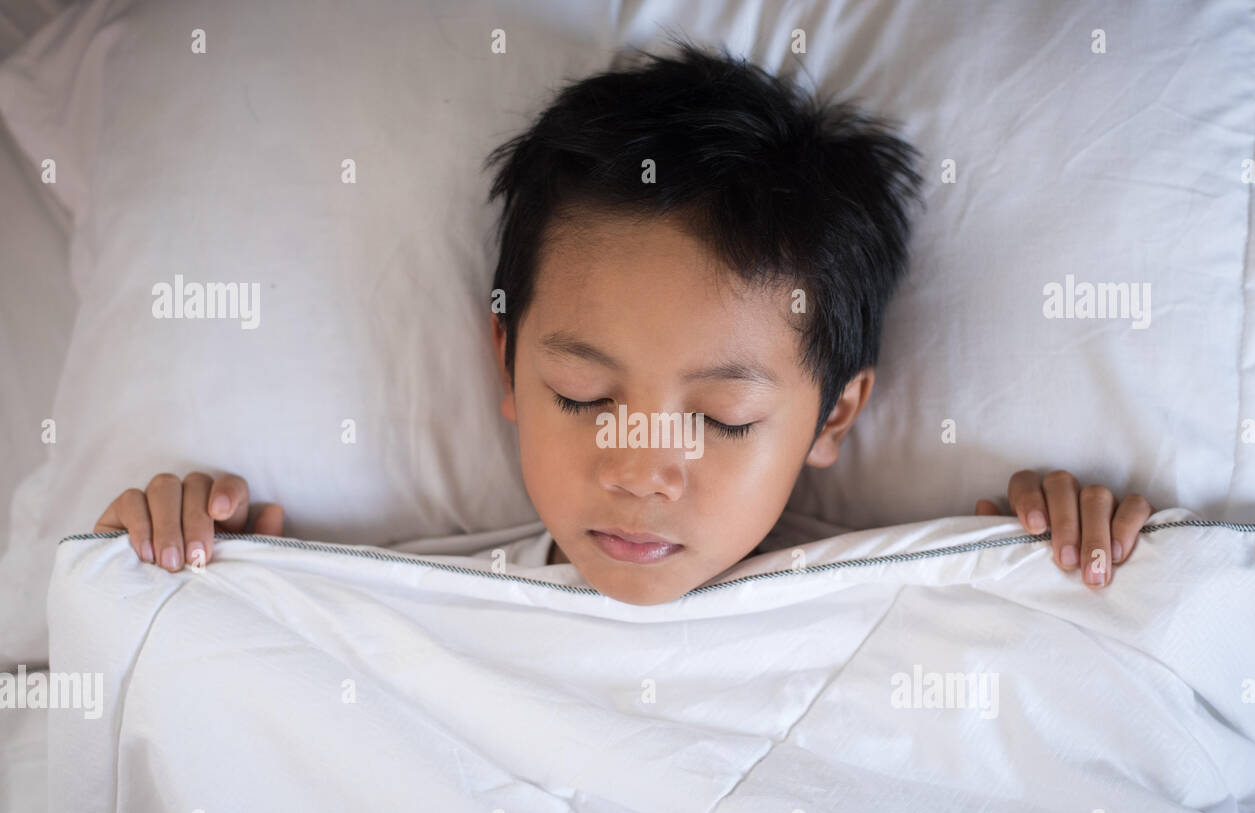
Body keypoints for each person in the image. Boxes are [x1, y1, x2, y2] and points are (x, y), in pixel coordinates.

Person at [91, 41, 1151, 604]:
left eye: (724, 418)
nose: (641, 466)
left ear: (836, 414)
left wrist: (1069, 572)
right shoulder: (405, 602)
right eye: (585, 398)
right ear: (505, 358)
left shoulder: (925, 602)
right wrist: (172, 580)